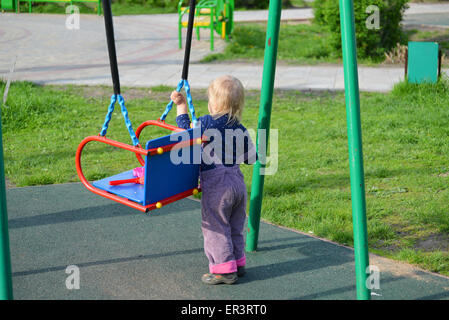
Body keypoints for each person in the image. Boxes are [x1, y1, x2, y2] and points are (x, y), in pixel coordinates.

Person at [171, 75, 256, 285]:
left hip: (218, 187)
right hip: (238, 183)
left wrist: (181, 105)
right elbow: (252, 157)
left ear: (214, 104)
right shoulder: (240, 127)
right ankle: (238, 262)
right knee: (235, 226)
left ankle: (224, 270)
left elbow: (185, 131)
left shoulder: (206, 122)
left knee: (215, 227)